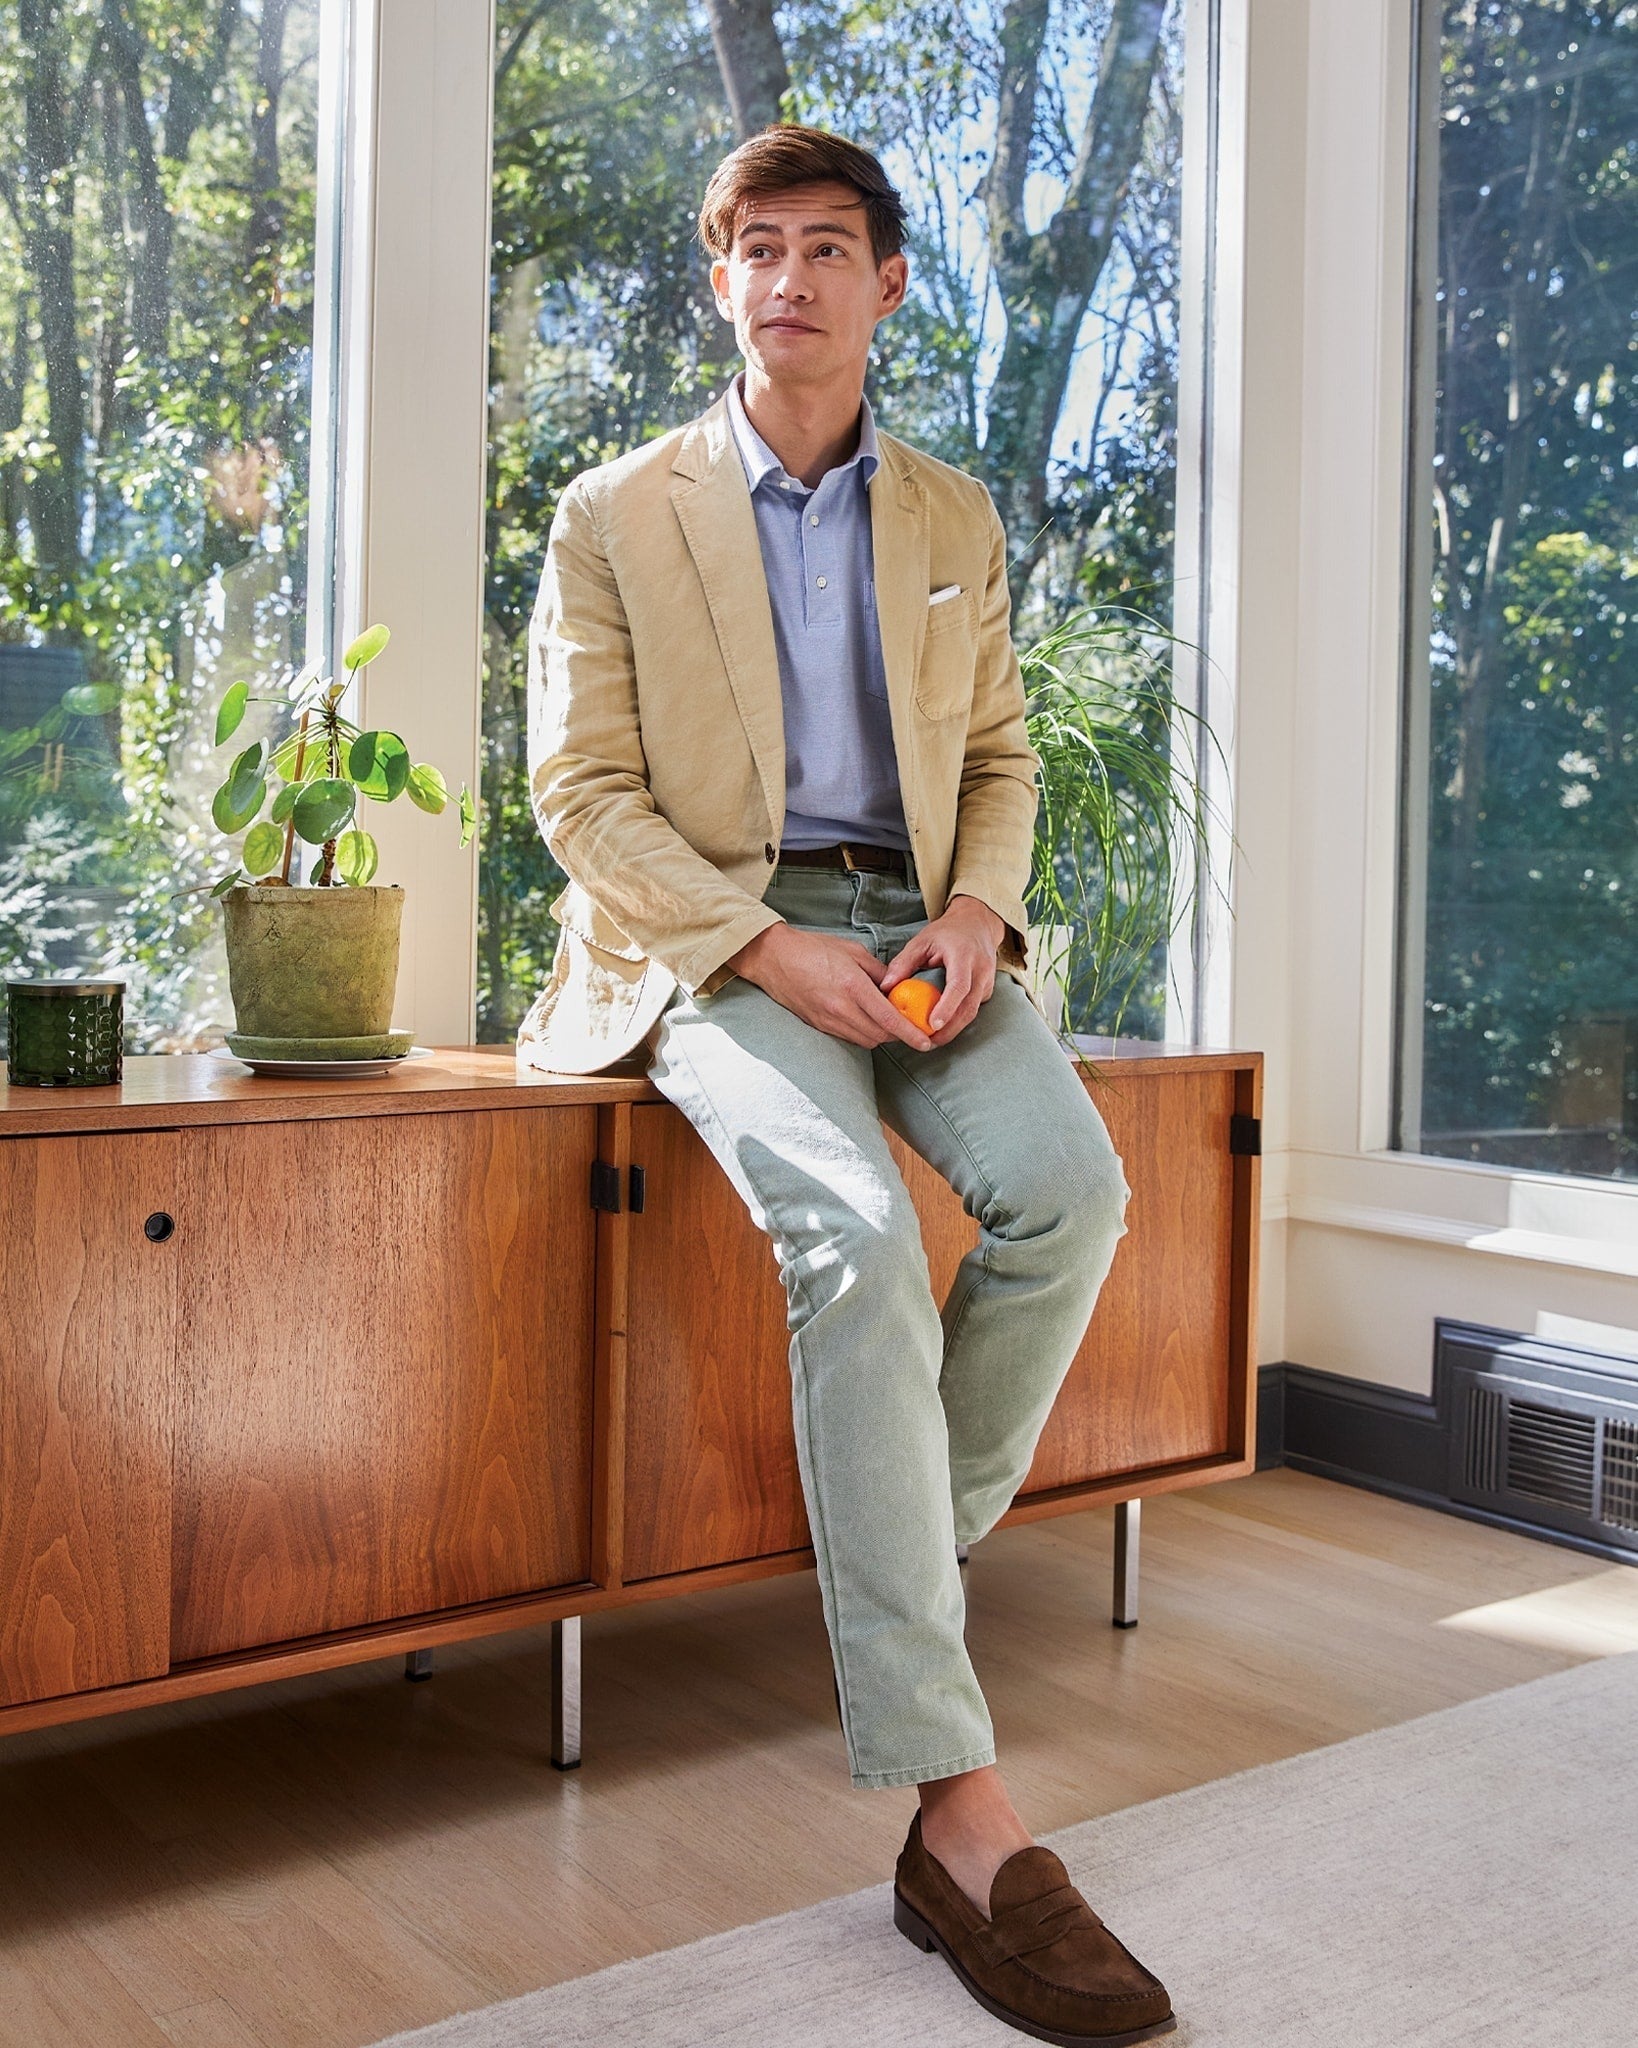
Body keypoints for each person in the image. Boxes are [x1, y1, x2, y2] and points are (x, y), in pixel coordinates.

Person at [522, 122, 1175, 2046]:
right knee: (855, 1231)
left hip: (918, 932)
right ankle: (955, 1812)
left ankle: (898, 1555)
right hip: (712, 935)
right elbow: (580, 799)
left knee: (1072, 1196)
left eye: (830, 247)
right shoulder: (609, 511)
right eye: (757, 248)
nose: (792, 277)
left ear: (889, 287)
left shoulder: (952, 517)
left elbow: (1000, 760)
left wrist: (976, 912)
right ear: (716, 284)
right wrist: (758, 946)